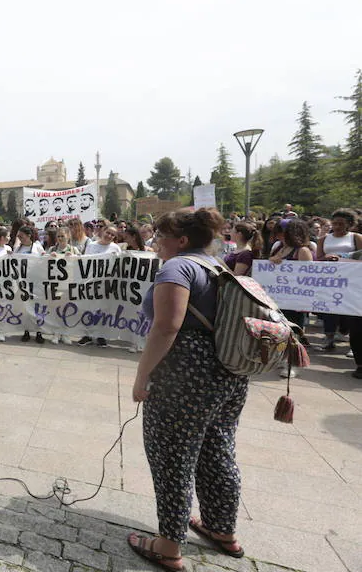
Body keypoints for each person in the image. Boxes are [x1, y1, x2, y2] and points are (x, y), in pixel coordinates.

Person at [127, 208, 246, 571]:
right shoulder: (217, 265)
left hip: (186, 374)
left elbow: (166, 327)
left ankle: (168, 544)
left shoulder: (177, 268)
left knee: (173, 456)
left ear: (180, 240)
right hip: (228, 371)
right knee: (217, 448)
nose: (155, 242)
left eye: (160, 236)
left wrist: (142, 376)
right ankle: (221, 527)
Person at [269, 219, 314, 378]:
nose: (278, 234)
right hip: (279, 299)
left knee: (294, 333)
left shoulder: (302, 251)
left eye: (281, 231)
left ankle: (292, 364)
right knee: (281, 331)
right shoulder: (280, 248)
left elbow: (309, 277)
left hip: (296, 301)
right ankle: (282, 359)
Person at [316, 209, 362, 351]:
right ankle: (329, 339)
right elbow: (318, 258)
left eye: (341, 224)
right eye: (334, 223)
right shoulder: (324, 239)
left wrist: (344, 257)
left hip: (351, 280)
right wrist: (327, 258)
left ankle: (350, 342)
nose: (337, 227)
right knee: (329, 308)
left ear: (349, 224)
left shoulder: (356, 237)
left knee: (350, 309)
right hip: (330, 279)